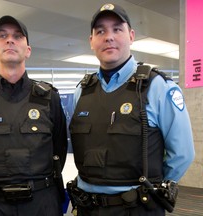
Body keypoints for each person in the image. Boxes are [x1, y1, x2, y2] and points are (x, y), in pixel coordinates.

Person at [67, 3, 195, 216]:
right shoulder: (82, 91)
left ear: (131, 36)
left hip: (137, 208)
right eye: (101, 31)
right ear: (91, 41)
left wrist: (152, 186)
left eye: (117, 29)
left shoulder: (158, 87)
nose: (109, 37)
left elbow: (182, 154)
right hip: (88, 208)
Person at [0, 15, 67, 216]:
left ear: (28, 50)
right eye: (2, 36)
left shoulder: (48, 98)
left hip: (43, 204)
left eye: (18, 36)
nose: (10, 40)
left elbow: (59, 149)